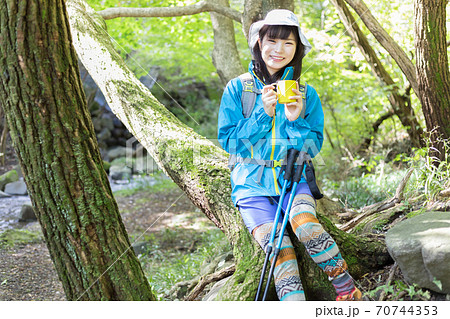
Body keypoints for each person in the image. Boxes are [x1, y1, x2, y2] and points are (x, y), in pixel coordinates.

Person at [217, 9, 362, 301]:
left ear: (297, 49)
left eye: (288, 43)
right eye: (272, 41)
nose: (279, 50)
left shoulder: (305, 93)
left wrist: (295, 119)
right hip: (251, 187)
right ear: (259, 42)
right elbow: (230, 143)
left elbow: (312, 147)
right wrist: (262, 113)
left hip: (292, 180)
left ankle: (348, 290)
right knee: (278, 248)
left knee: (306, 224)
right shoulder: (238, 89)